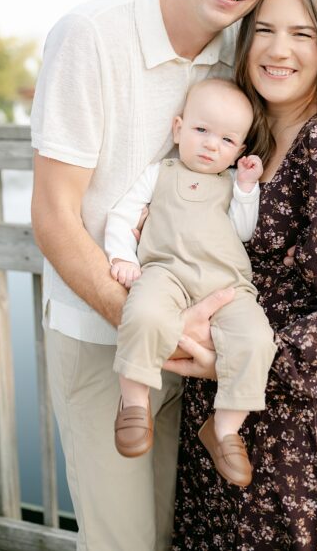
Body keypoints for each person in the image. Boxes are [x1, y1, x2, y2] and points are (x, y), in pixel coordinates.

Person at [30, 0, 294, 551]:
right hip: (107, 336)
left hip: (206, 340)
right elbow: (55, 216)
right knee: (125, 543)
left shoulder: (239, 55)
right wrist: (149, 329)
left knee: (181, 537)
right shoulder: (91, 36)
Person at [167, 0, 317, 550]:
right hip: (213, 408)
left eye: (301, 34)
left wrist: (237, 364)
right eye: (263, 29)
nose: (278, 49)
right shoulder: (245, 135)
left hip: (293, 419)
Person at [105, 79, 276, 490]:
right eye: (201, 131)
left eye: (226, 139)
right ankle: (133, 402)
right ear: (178, 128)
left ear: (239, 150)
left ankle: (225, 428)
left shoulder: (232, 184)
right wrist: (122, 257)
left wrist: (248, 189)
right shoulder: (158, 174)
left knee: (257, 339)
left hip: (227, 284)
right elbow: (122, 215)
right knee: (144, 313)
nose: (211, 145)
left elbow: (244, 232)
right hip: (165, 273)